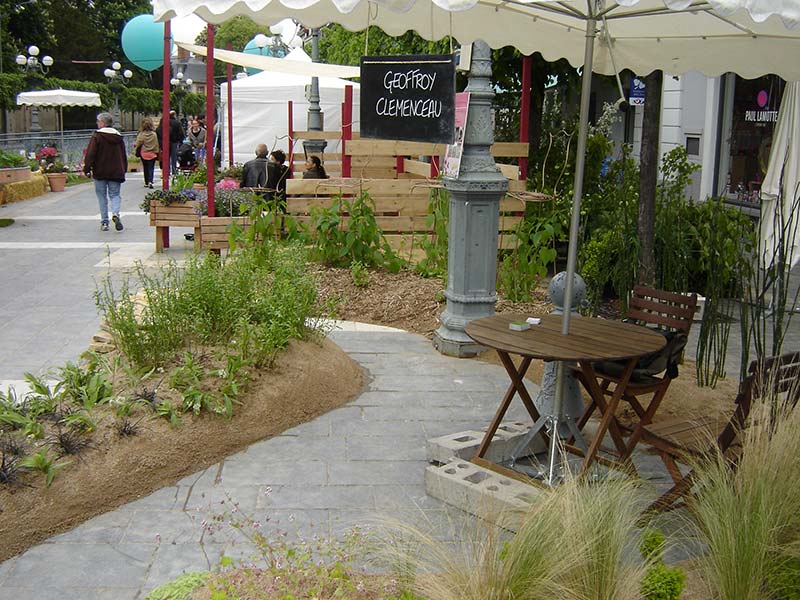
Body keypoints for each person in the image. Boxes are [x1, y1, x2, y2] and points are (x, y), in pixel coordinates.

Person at [84, 112, 127, 232]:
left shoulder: (97, 136)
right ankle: (116, 213)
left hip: (100, 170)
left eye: (98, 121)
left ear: (102, 123)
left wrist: (87, 168)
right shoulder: (118, 137)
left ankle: (104, 222)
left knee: (102, 196)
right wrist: (123, 169)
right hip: (115, 171)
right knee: (115, 195)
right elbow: (123, 155)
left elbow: (91, 154)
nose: (97, 124)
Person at [156, 110, 185, 176]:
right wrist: (180, 141)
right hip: (174, 142)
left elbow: (158, 131)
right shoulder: (177, 123)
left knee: (166, 158)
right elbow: (181, 133)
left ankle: (166, 171)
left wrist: (160, 142)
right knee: (174, 157)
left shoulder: (162, 122)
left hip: (165, 142)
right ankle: (174, 171)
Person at [133, 118, 159, 189]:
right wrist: (157, 152)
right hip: (152, 153)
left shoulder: (142, 134)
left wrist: (135, 149)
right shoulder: (154, 134)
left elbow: (137, 143)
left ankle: (146, 182)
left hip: (144, 153)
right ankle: (151, 180)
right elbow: (157, 144)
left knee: (145, 168)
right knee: (151, 168)